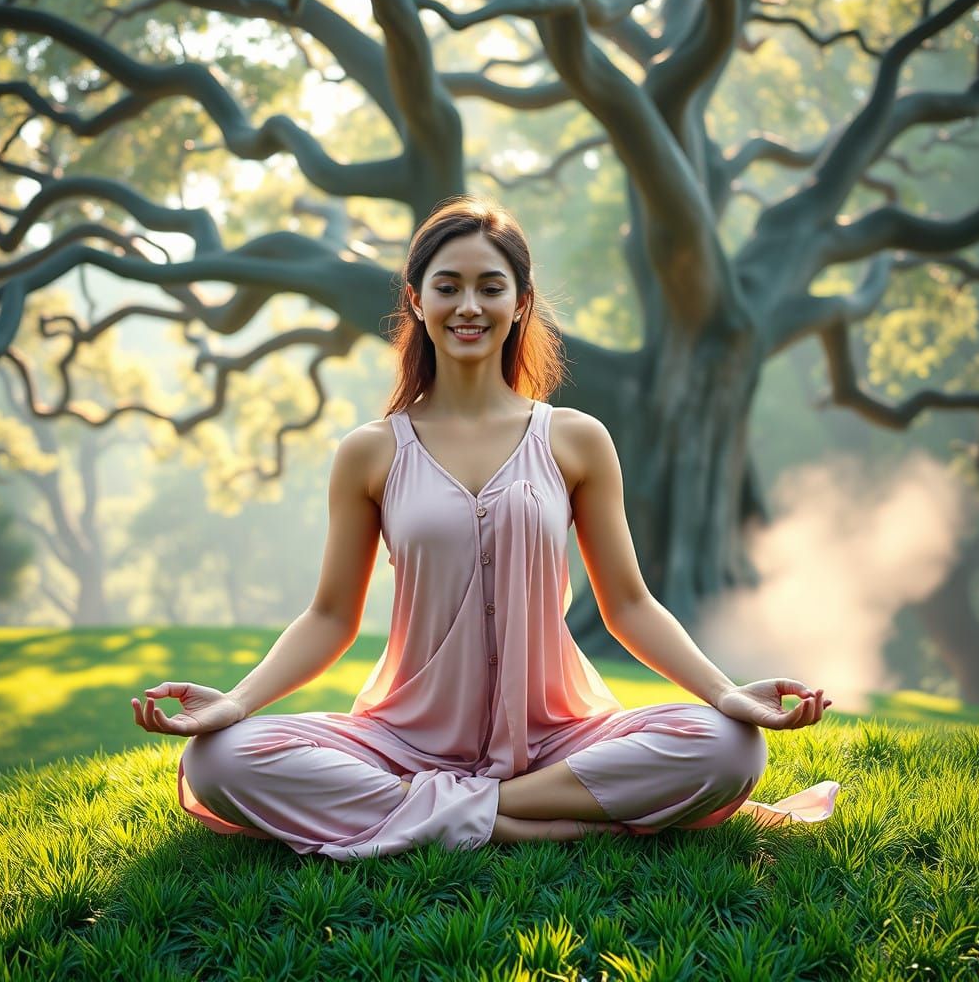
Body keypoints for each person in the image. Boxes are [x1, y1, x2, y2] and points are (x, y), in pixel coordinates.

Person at [131, 195, 838, 861]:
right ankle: (532, 823)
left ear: (520, 302)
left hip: (560, 740)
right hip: (402, 743)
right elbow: (330, 617)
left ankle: (454, 814)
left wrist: (724, 693)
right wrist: (236, 703)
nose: (469, 306)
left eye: (490, 287)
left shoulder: (575, 439)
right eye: (448, 287)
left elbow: (628, 605)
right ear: (416, 299)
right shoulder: (370, 452)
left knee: (730, 747)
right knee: (218, 761)